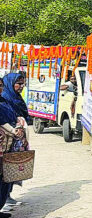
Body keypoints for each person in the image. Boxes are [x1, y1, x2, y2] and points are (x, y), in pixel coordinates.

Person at [0, 77, 28, 218]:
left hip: (9, 145)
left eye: (1, 86)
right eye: (19, 83)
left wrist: (18, 124)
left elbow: (13, 116)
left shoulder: (4, 101)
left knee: (6, 175)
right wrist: (12, 129)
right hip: (2, 144)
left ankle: (3, 202)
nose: (21, 86)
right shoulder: (5, 98)